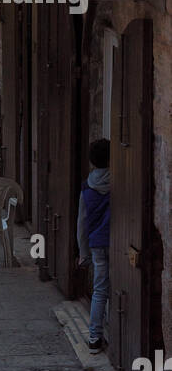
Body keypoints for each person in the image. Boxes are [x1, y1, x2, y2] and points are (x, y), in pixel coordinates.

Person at [77, 137, 111, 353]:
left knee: (99, 290)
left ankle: (94, 338)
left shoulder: (87, 189)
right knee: (122, 288)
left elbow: (82, 224)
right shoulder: (122, 183)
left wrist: (83, 253)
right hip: (117, 243)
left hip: (97, 245)